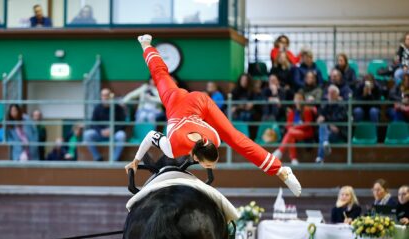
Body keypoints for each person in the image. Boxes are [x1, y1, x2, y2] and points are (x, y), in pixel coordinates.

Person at [125, 34, 302, 197]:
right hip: (184, 101)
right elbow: (151, 136)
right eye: (210, 165)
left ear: (195, 157)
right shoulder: (211, 140)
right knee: (159, 75)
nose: (213, 167)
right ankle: (146, 45)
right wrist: (136, 160)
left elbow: (150, 136)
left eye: (211, 164)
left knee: (235, 137)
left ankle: (282, 171)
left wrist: (136, 160)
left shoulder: (178, 146)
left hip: (194, 103)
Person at [83, 88, 126, 161]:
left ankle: (114, 159)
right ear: (101, 97)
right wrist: (101, 131)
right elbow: (93, 124)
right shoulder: (97, 108)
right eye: (103, 95)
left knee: (122, 135)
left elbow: (122, 123)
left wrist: (113, 130)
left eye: (107, 95)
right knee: (87, 134)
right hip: (100, 134)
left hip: (113, 134)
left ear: (111, 96)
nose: (105, 97)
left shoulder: (118, 108)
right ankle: (98, 158)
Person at [272, 93, 314, 165]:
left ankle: (280, 151)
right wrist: (292, 129)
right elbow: (288, 125)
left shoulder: (307, 110)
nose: (298, 100)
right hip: (293, 133)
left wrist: (294, 128)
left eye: (299, 98)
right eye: (296, 98)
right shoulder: (292, 112)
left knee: (290, 132)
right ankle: (294, 160)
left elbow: (307, 125)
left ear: (303, 100)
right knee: (291, 136)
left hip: (305, 132)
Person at [315, 85, 347, 163]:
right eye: (329, 93)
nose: (330, 95)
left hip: (338, 132)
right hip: (327, 131)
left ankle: (320, 157)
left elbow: (339, 119)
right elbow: (320, 117)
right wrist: (321, 120)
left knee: (322, 136)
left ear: (337, 94)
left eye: (333, 93)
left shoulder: (342, 105)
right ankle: (326, 143)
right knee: (322, 127)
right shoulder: (326, 105)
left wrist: (327, 121)